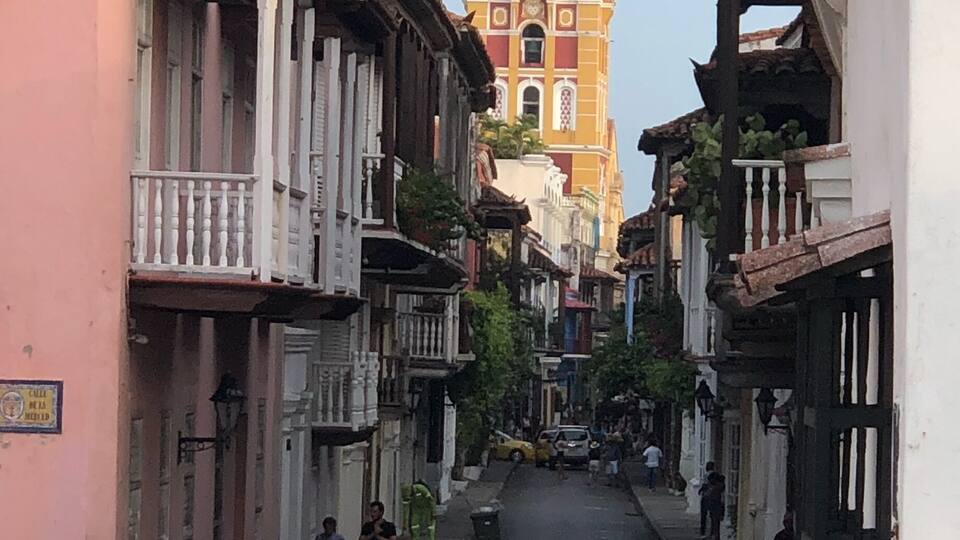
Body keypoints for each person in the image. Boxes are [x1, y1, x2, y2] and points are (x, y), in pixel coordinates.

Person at [698, 461, 716, 536]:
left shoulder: (707, 475)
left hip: (706, 496)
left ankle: (703, 532)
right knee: (712, 516)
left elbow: (705, 485)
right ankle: (712, 532)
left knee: (704, 515)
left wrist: (700, 490)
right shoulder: (715, 475)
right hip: (713, 497)